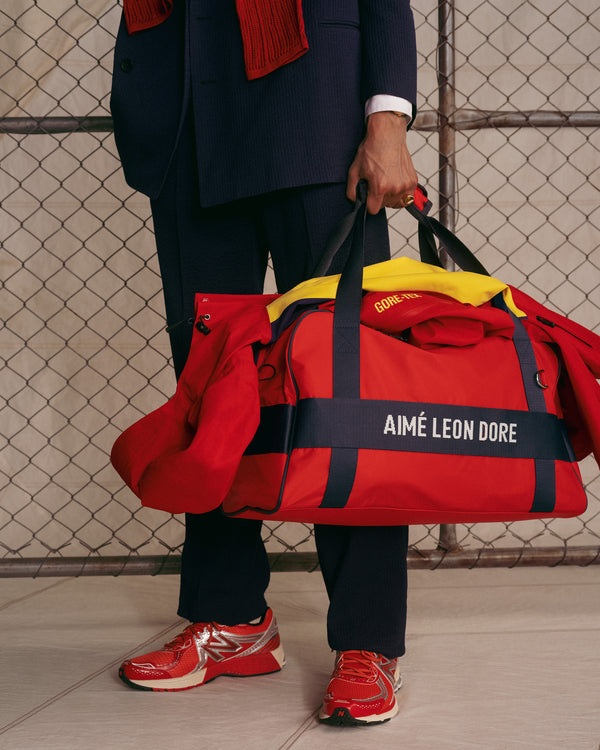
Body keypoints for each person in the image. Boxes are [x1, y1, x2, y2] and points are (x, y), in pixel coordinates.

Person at [110, 0, 418, 726]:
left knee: (348, 393)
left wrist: (387, 121)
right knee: (209, 389)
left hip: (317, 122)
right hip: (188, 118)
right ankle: (231, 617)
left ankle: (369, 639)